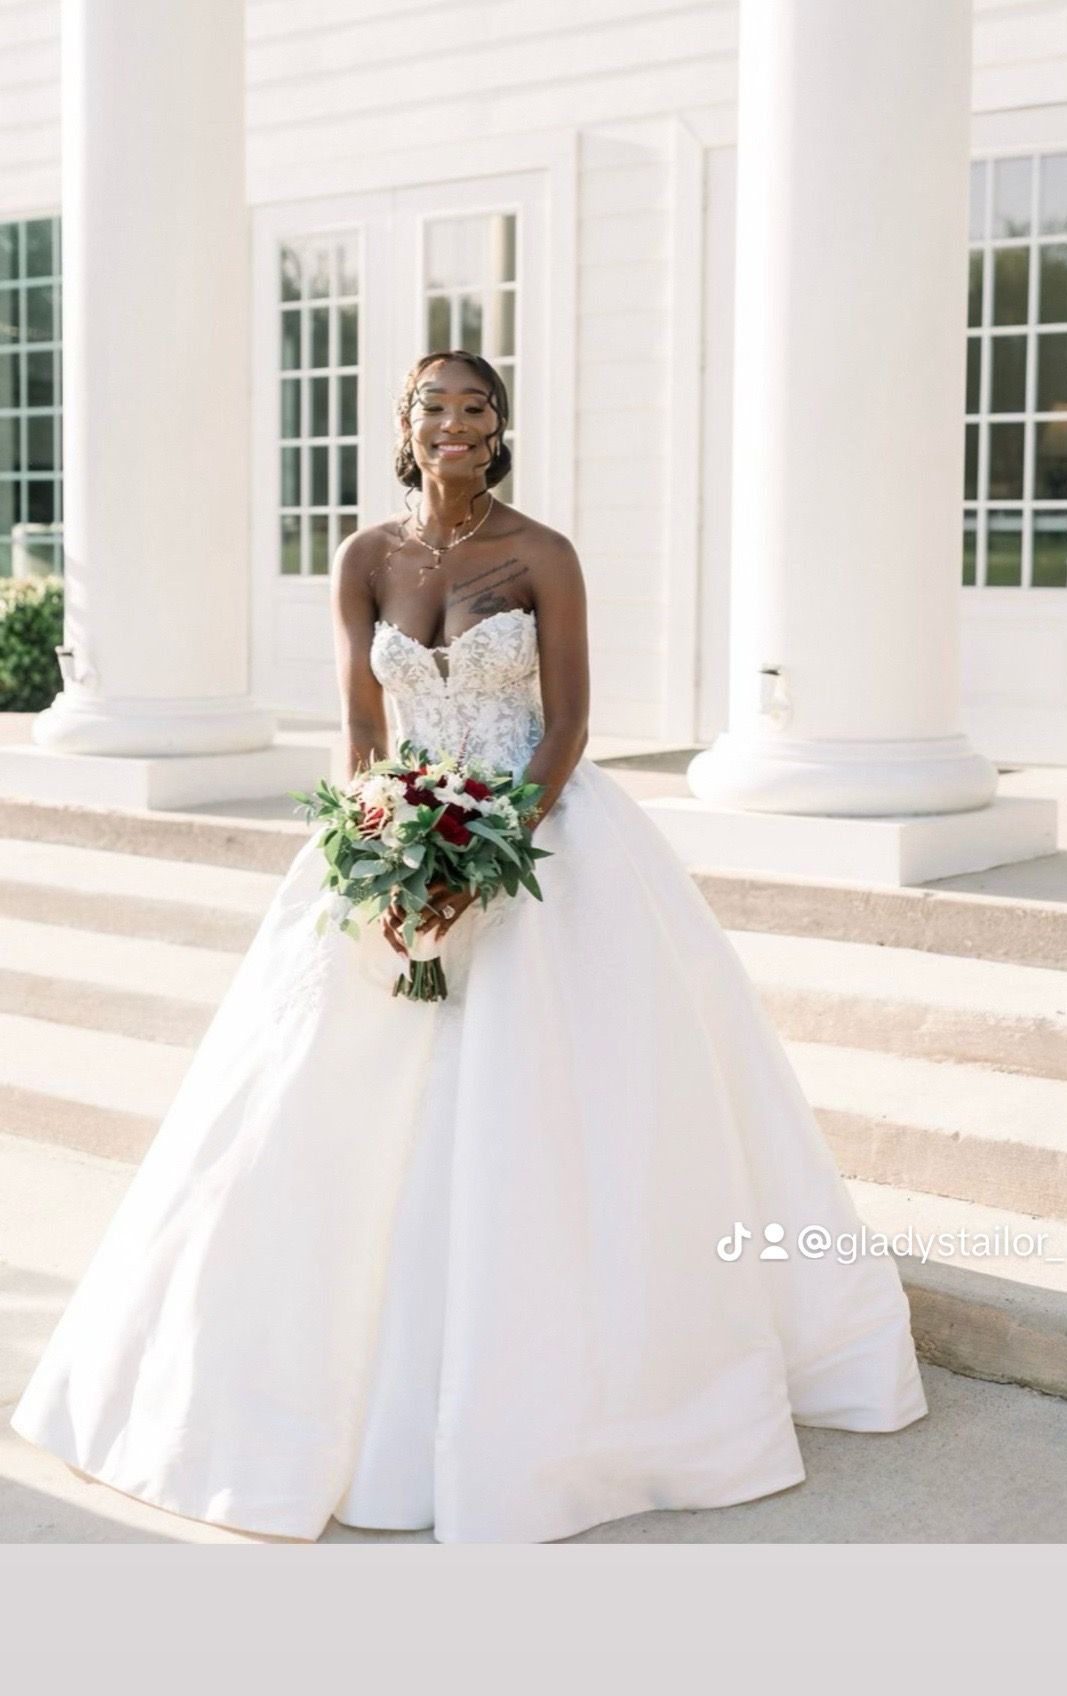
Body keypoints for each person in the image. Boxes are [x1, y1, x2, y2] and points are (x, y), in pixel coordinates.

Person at [10, 349, 927, 1543]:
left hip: (539, 846)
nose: (456, 424)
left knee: (548, 1111)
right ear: (405, 425)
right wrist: (370, 856)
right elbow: (357, 726)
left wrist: (489, 855)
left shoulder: (543, 555)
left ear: (501, 430)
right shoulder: (363, 558)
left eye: (477, 408)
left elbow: (572, 725)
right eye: (434, 406)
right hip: (391, 836)